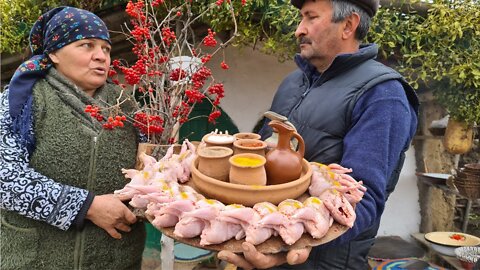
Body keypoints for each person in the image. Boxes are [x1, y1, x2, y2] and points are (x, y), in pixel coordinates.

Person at [218, 0, 419, 269]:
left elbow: (363, 199)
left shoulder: (382, 95)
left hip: (324, 261)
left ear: (348, 25)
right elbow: (265, 155)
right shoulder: (293, 82)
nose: (299, 30)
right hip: (265, 240)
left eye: (311, 18)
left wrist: (290, 245)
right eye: (301, 18)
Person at [0, 7, 145, 269]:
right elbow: (5, 177)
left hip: (115, 258)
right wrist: (86, 206)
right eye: (87, 45)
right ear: (54, 53)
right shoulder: (23, 101)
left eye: (106, 49)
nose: (101, 56)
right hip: (37, 258)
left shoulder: (126, 105)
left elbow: (153, 168)